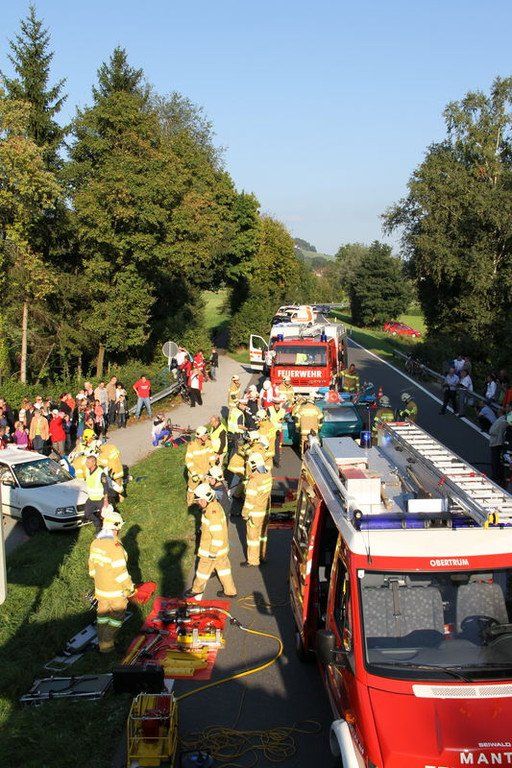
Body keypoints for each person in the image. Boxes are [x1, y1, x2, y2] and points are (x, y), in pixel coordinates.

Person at [88, 507, 135, 653]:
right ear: (116, 528)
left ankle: (102, 640)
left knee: (102, 617)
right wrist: (130, 588)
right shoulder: (115, 548)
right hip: (115, 592)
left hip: (100, 590)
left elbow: (92, 569)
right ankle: (107, 646)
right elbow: (121, 573)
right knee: (116, 619)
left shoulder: (95, 543)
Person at [185, 483, 237, 600]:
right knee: (224, 569)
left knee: (202, 571)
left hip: (211, 550)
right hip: (221, 549)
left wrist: (212, 552)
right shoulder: (216, 506)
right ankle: (230, 591)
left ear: (204, 500)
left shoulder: (211, 513)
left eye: (198, 501)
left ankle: (196, 589)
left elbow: (217, 535)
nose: (198, 503)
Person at [241, 453, 273, 567]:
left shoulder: (254, 480)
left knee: (253, 538)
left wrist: (244, 513)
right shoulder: (268, 474)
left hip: (255, 513)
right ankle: (262, 555)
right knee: (262, 535)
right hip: (265, 510)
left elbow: (250, 500)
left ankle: (253, 560)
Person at [185, 426, 215, 505]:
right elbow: (189, 461)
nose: (207, 436)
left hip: (206, 471)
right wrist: (194, 473)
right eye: (205, 435)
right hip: (196, 473)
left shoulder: (208, 443)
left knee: (206, 488)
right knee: (192, 489)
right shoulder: (191, 446)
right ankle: (190, 503)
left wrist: (213, 466)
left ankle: (203, 504)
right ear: (200, 437)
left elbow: (211, 455)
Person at [83, 454, 109, 530]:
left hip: (100, 499)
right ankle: (98, 524)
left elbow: (106, 487)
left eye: (88, 462)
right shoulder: (87, 471)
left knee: (106, 515)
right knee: (87, 514)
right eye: (86, 462)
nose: (86, 464)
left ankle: (109, 528)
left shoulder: (101, 473)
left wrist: (106, 500)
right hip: (91, 499)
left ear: (94, 463)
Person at [489, 411, 510, 487]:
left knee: (496, 460)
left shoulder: (501, 421)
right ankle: (500, 477)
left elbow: (491, 431)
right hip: (501, 443)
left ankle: (496, 477)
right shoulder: (504, 421)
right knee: (500, 461)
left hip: (497, 443)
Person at [268, 397, 286, 466]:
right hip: (270, 431)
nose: (277, 405)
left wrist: (282, 421)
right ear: (273, 404)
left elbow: (282, 419)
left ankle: (276, 461)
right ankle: (269, 461)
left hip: (278, 431)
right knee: (269, 446)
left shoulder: (283, 411)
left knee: (277, 446)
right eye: (276, 404)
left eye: (278, 404)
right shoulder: (269, 409)